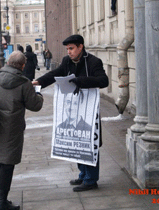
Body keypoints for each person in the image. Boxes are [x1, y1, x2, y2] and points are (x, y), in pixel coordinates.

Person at [32, 34, 109, 192]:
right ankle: (83, 174)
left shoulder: (94, 61)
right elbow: (56, 74)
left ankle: (91, 180)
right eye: (67, 49)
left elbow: (103, 81)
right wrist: (39, 82)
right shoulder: (67, 61)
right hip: (72, 109)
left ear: (80, 47)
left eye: (71, 48)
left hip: (88, 111)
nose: (69, 52)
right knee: (76, 142)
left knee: (89, 143)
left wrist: (81, 81)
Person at [0, 51, 44, 210]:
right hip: (12, 130)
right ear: (22, 65)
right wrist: (39, 94)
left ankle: (0, 199)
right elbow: (35, 105)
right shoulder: (24, 83)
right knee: (7, 166)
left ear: (7, 62)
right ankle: (1, 203)